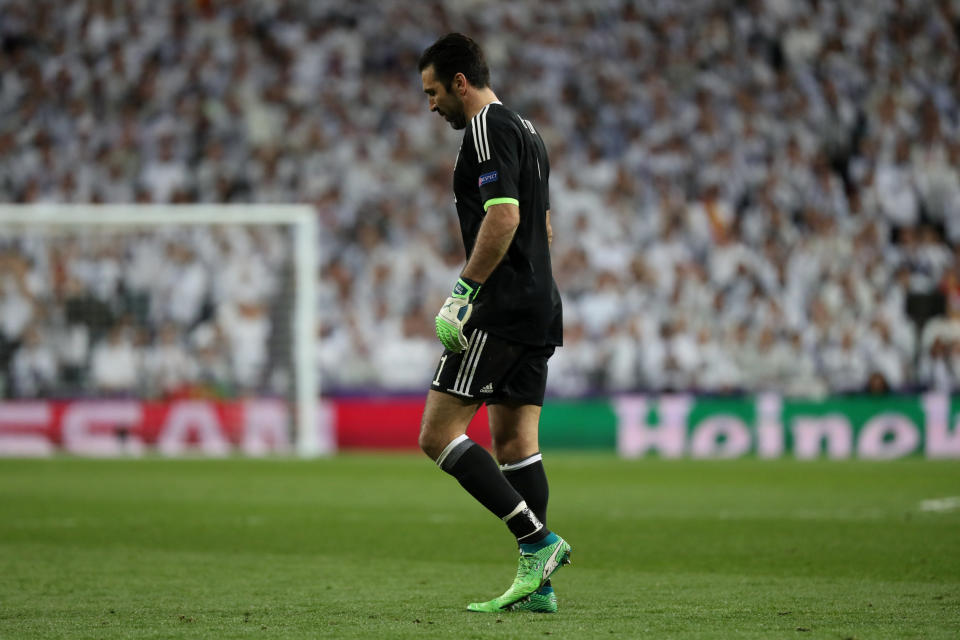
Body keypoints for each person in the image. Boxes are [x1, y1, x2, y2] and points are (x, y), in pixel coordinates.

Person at [416, 33, 571, 614]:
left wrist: (463, 292)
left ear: (460, 82)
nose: (431, 105)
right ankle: (540, 586)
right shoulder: (530, 133)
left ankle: (537, 542)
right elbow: (544, 227)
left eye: (433, 92)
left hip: (501, 310)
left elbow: (504, 217)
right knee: (515, 445)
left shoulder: (484, 129)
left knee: (436, 434)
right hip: (539, 305)